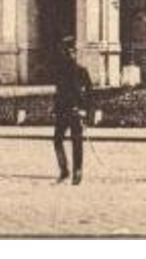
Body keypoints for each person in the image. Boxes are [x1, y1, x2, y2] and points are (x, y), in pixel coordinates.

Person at [50, 36, 92, 185]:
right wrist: (55, 108)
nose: (69, 55)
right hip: (64, 111)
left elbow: (89, 94)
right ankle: (65, 169)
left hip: (74, 112)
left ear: (75, 53)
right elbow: (59, 92)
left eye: (71, 52)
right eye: (66, 52)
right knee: (58, 140)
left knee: (76, 142)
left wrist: (85, 111)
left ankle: (77, 171)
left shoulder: (81, 72)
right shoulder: (61, 71)